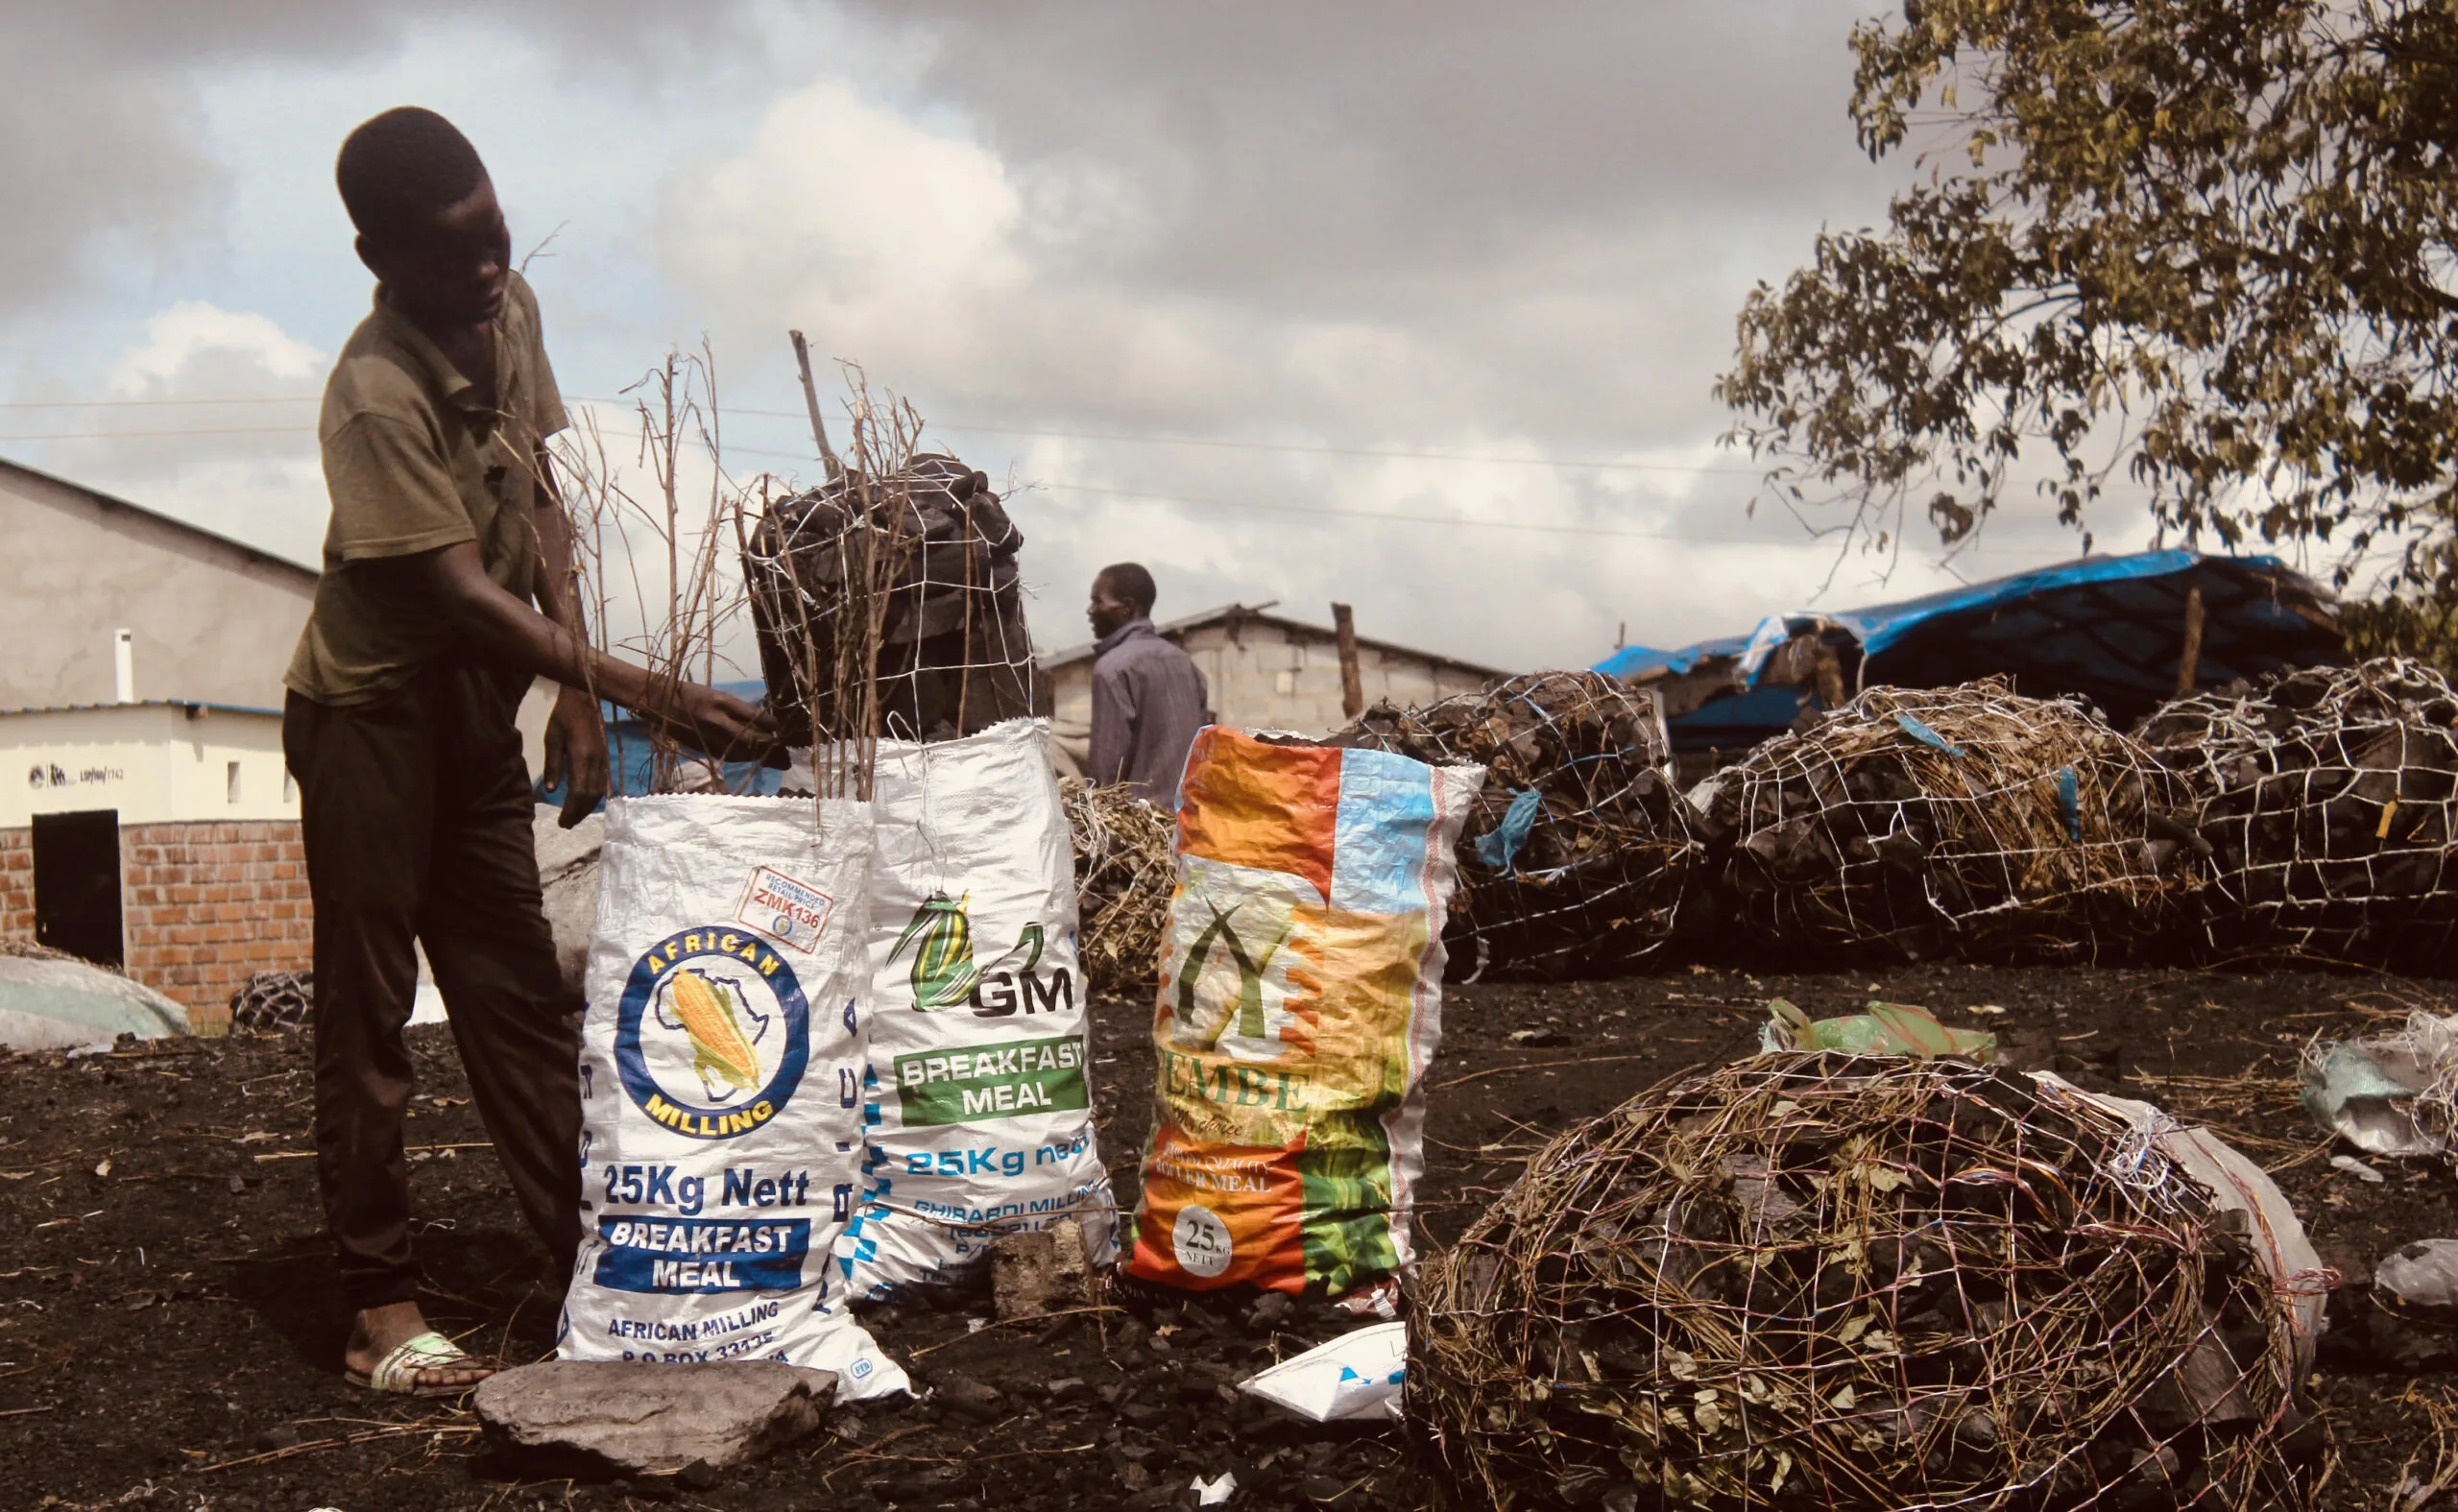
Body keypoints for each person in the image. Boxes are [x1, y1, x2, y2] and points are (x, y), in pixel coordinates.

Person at [282, 107, 771, 1395]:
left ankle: (582, 1256)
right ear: (376, 254)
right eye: (456, 251)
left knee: (513, 991)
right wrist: (640, 687)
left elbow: (542, 502)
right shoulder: (371, 394)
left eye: (496, 231)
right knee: (372, 1014)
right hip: (371, 722)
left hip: (477, 709)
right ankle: (376, 1305)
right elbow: (454, 589)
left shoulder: (508, 309)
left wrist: (569, 687)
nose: (489, 266)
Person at [1085, 563, 1209, 807]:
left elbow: (1106, 777)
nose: (1090, 610)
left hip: (1139, 831)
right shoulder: (1186, 664)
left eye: (1098, 601)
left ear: (1127, 608)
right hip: (1188, 826)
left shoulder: (1112, 669)